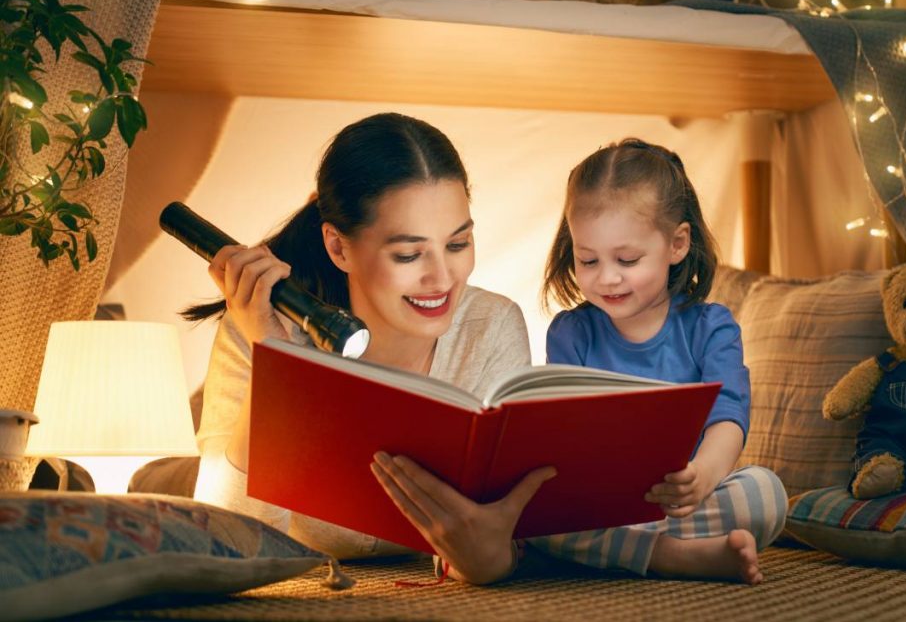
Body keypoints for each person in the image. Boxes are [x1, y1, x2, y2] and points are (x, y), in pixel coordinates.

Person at [188, 113, 554, 584]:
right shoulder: (259, 325)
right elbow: (230, 546)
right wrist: (278, 361)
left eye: (459, 242)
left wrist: (487, 561)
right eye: (408, 254)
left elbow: (498, 535)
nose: (442, 279)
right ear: (338, 248)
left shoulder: (491, 326)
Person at [536, 138, 787, 584]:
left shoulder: (712, 328)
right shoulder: (570, 333)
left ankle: (619, 550)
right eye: (587, 259)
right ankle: (676, 556)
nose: (607, 277)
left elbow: (729, 417)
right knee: (532, 511)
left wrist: (702, 477)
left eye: (627, 259)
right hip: (601, 503)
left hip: (686, 500)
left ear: (677, 244)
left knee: (766, 494)